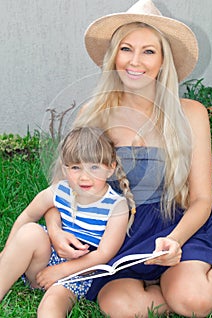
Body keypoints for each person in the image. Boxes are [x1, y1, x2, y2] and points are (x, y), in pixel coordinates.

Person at [45, 0, 212, 317]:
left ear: (163, 61)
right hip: (119, 239)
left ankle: (185, 286)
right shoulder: (94, 115)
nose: (136, 61)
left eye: (149, 51)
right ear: (113, 56)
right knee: (118, 305)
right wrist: (55, 230)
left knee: (193, 302)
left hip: (178, 229)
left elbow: (202, 199)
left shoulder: (191, 113)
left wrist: (173, 241)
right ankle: (167, 292)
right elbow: (59, 190)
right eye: (126, 49)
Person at [0, 126, 136, 318]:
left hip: (79, 271)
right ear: (65, 169)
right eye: (75, 167)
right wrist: (7, 252)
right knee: (30, 231)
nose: (84, 176)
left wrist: (60, 271)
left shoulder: (116, 206)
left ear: (110, 168)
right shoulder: (59, 190)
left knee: (50, 306)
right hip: (45, 260)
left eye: (94, 167)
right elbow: (28, 215)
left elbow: (104, 254)